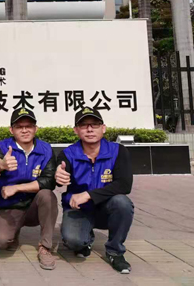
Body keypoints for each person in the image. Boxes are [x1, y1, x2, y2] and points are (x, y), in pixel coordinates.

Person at [56, 106, 134, 274]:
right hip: (79, 209)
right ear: (76, 130)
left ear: (103, 128)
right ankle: (85, 240)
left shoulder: (118, 151)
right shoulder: (68, 154)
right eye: (84, 125)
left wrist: (89, 195)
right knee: (73, 242)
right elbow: (61, 173)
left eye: (95, 124)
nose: (90, 129)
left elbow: (124, 185)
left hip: (107, 209)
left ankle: (115, 252)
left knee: (122, 203)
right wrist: (59, 175)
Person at [0, 107, 58, 269]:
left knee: (47, 195)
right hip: (11, 206)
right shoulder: (4, 146)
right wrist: (2, 164)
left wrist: (17, 188)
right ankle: (14, 234)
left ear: (35, 128)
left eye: (29, 126)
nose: (25, 130)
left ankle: (45, 247)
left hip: (36, 207)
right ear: (11, 130)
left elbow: (49, 181)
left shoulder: (46, 149)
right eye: (19, 127)